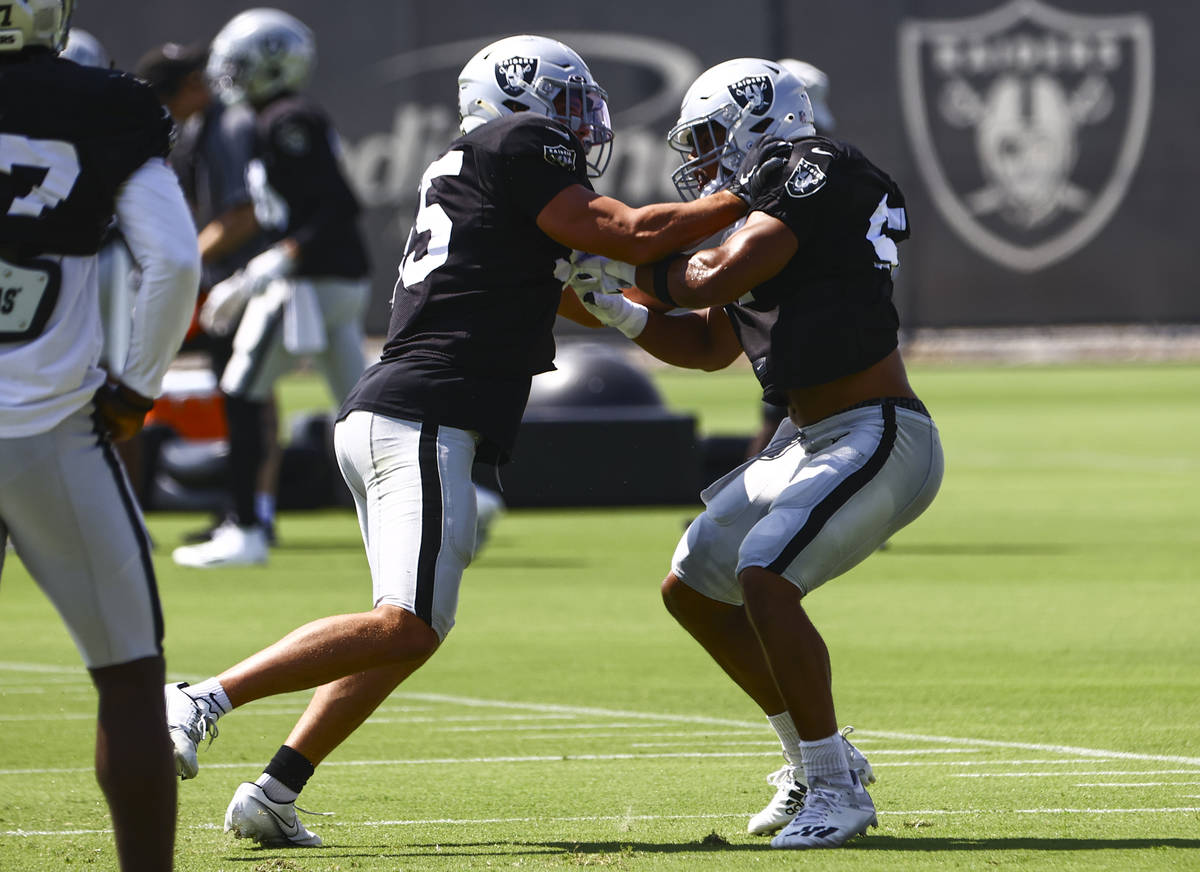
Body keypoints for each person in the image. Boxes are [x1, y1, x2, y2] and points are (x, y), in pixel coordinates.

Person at [162, 32, 777, 848]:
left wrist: (616, 299)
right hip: (423, 411)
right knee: (407, 622)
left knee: (412, 623)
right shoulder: (515, 141)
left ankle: (277, 789)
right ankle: (202, 699)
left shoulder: (477, 168)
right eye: (563, 101)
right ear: (517, 100)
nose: (577, 122)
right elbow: (630, 232)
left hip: (407, 411)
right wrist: (746, 199)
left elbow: (554, 286)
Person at [559, 57, 944, 849]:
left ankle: (837, 788)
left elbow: (707, 281)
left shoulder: (818, 167)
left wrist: (624, 260)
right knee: (694, 586)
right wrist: (617, 311)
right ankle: (811, 760)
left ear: (756, 118)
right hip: (811, 437)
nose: (699, 157)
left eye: (706, 137)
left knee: (764, 576)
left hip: (878, 429)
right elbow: (704, 345)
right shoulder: (773, 217)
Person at [0, 2, 201, 869]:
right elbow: (176, 260)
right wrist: (134, 390)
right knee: (127, 674)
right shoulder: (104, 105)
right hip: (47, 426)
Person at [171, 9, 371, 568]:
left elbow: (334, 208)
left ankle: (247, 527)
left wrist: (262, 270)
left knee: (241, 389)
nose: (229, 77)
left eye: (239, 65)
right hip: (321, 278)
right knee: (364, 410)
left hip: (309, 282)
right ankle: (454, 503)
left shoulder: (286, 119)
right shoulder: (270, 118)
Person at [135, 40, 283, 544]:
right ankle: (247, 510)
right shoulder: (206, 125)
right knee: (243, 393)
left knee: (248, 395)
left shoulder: (227, 126)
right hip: (236, 279)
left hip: (245, 282)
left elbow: (243, 215)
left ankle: (253, 513)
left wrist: (178, 265)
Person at [744, 58, 836, 458]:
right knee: (781, 428)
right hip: (801, 327)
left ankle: (738, 515)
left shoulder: (811, 177)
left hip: (808, 328)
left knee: (784, 430)